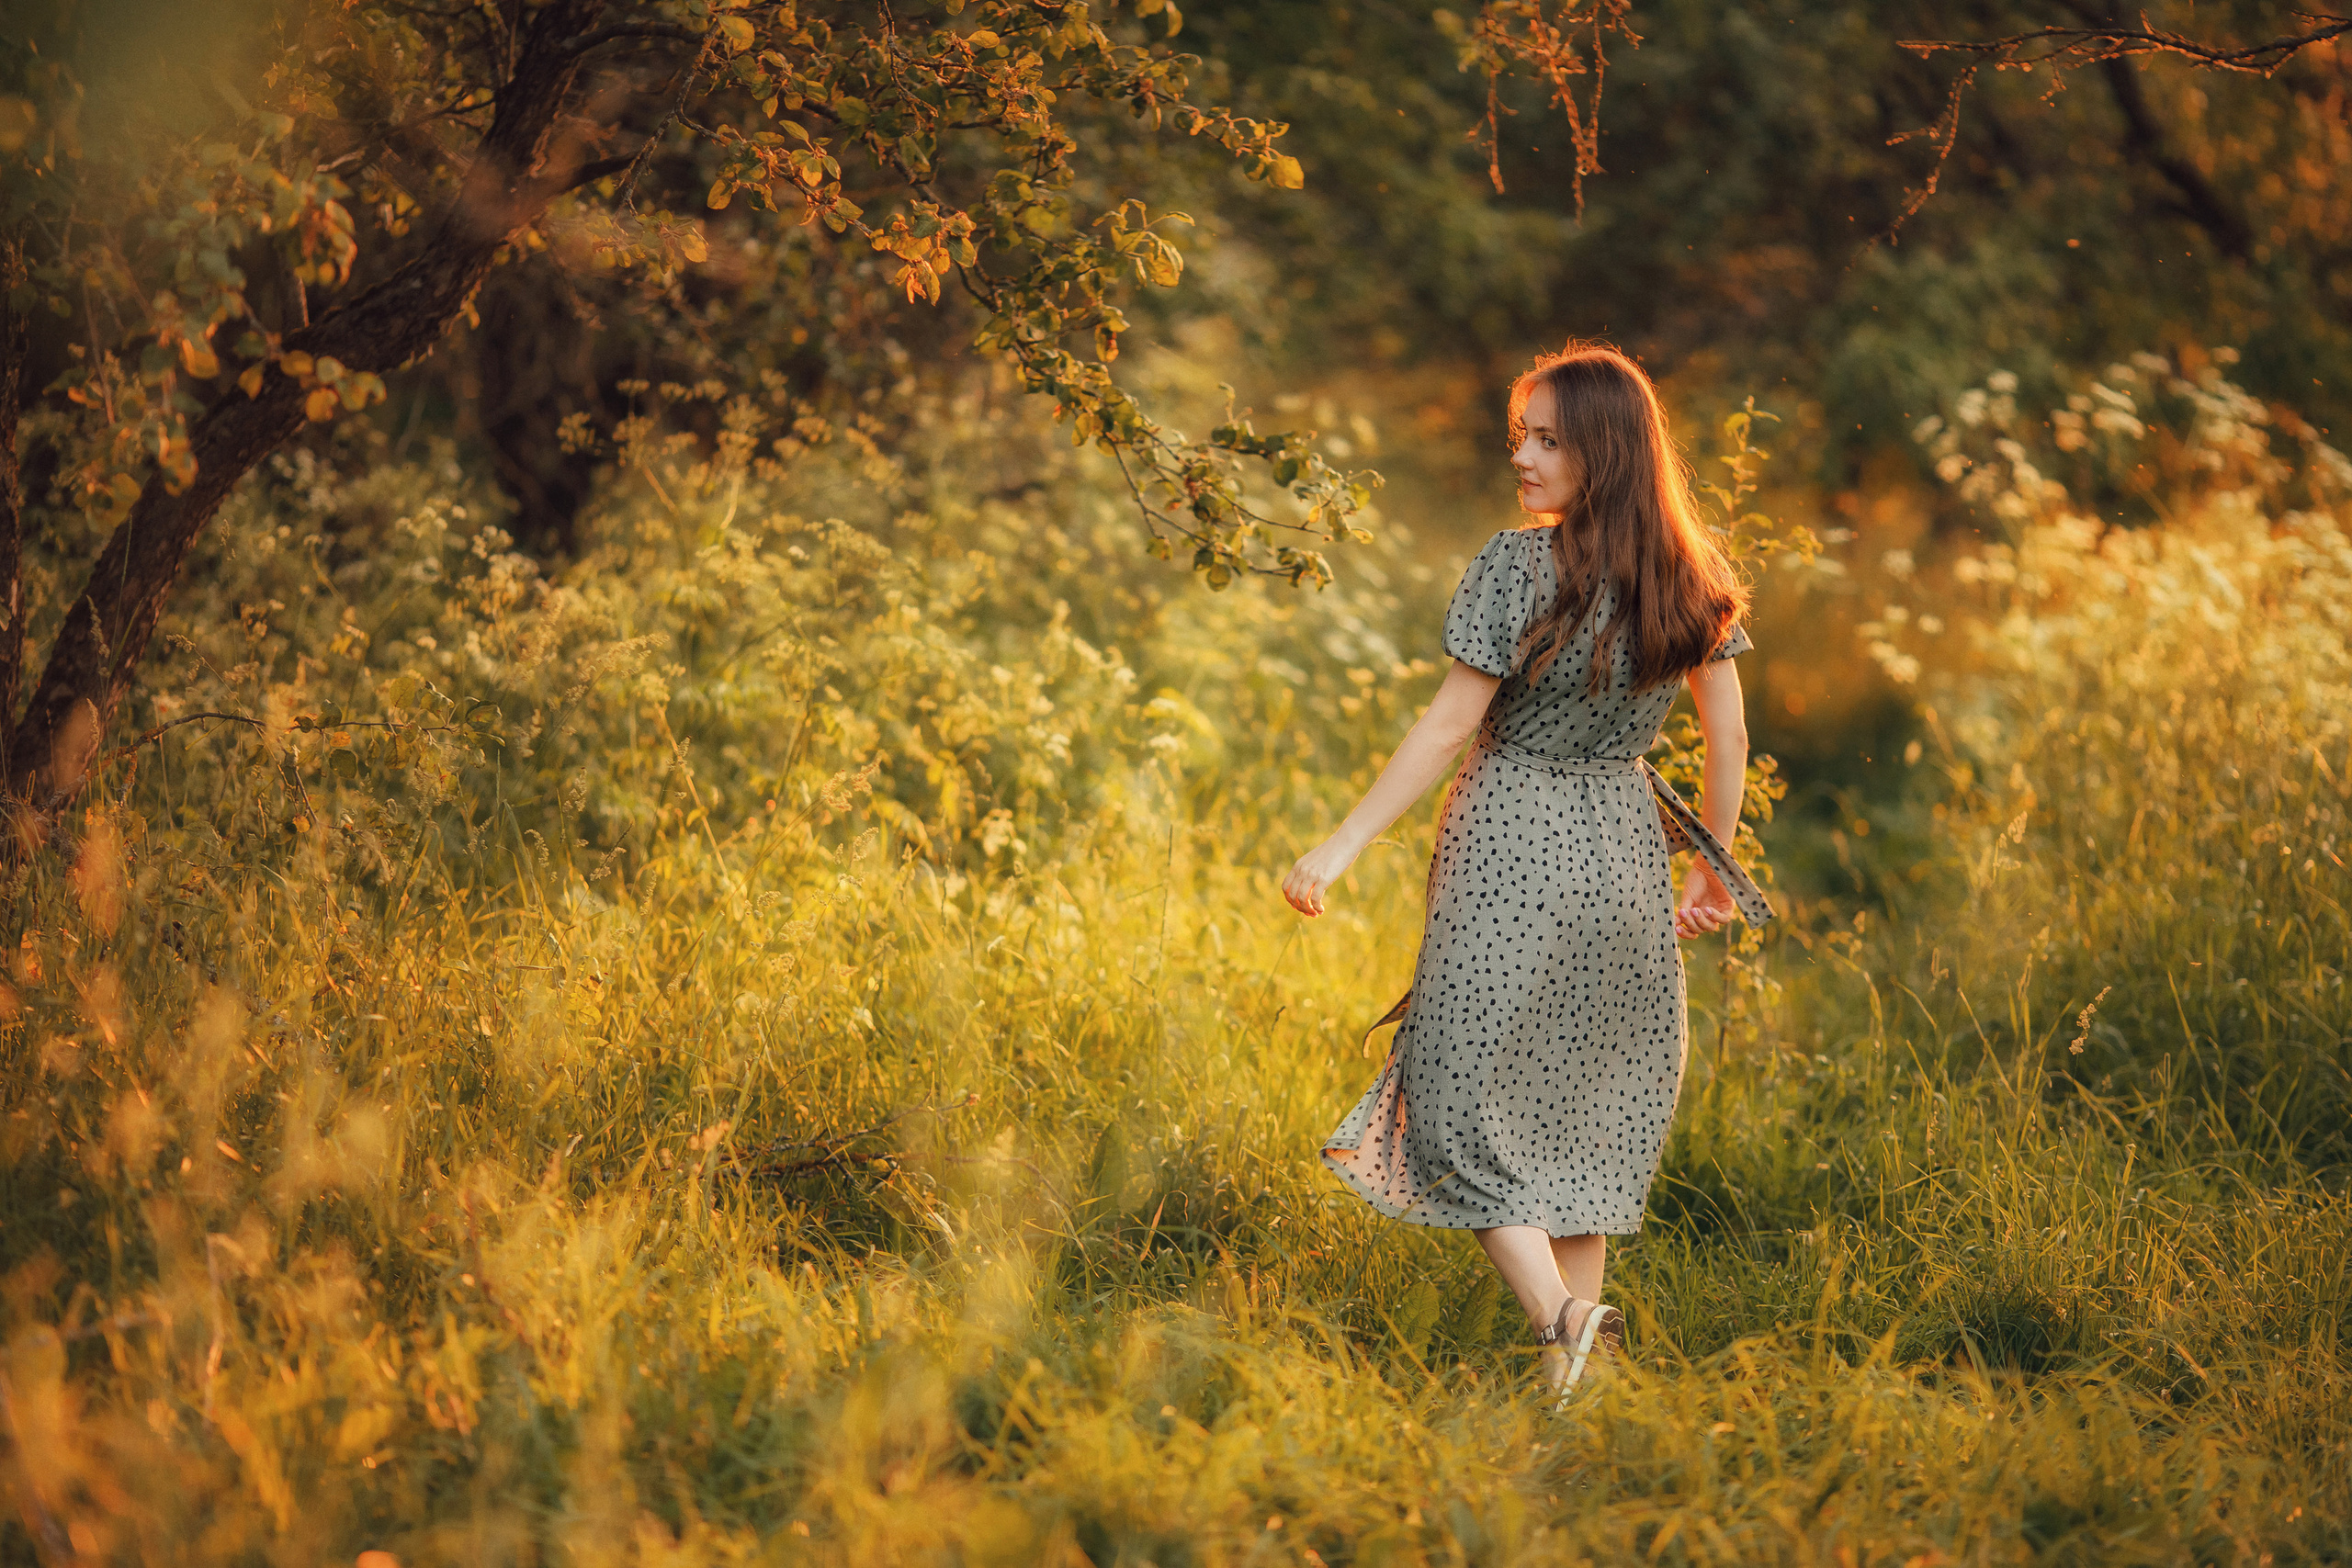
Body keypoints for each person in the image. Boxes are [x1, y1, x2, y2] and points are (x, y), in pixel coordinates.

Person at [1282, 341, 1772, 1393]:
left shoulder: (1517, 563)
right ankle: (1574, 1389)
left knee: (1446, 1103)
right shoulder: (1689, 573)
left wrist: (1343, 840)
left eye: (1548, 440)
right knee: (1579, 1127)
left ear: (1603, 450)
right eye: (1521, 437)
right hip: (1625, 853)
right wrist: (1709, 868)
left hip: (1509, 842)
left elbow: (1447, 725)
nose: (1524, 457)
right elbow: (1726, 738)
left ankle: (1557, 1317)